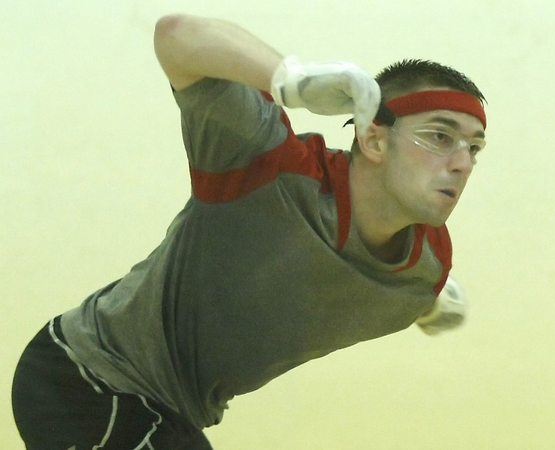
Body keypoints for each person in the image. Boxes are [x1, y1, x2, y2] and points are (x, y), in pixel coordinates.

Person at [11, 13, 488, 449]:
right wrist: (291, 78)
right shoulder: (265, 162)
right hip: (87, 376)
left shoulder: (425, 270)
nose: (462, 163)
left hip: (172, 416)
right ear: (374, 138)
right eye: (439, 136)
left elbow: (374, 280)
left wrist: (429, 304)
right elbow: (175, 36)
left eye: (473, 148)